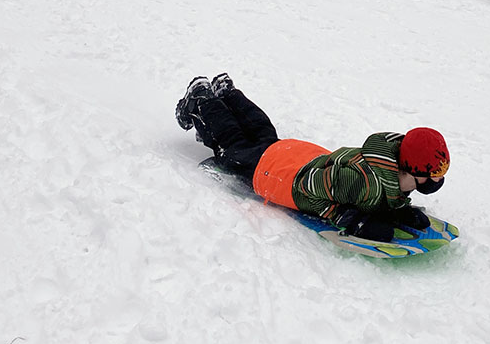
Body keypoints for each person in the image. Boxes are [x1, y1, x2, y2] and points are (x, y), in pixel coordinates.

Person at [175, 74, 450, 242]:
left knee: (262, 133)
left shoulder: (388, 167)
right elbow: (308, 189)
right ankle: (201, 99)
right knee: (234, 144)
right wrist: (346, 217)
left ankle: (228, 94)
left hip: (299, 155)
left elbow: (383, 194)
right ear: (412, 168)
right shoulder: (363, 182)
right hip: (281, 175)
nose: (438, 179)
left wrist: (397, 210)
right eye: (435, 172)